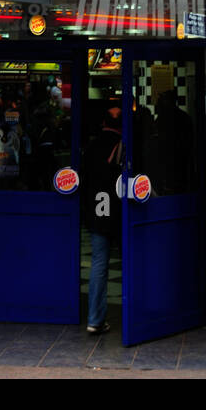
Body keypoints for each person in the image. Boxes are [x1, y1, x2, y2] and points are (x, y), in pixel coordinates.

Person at [82, 101, 122, 335]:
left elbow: (83, 181)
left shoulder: (91, 147)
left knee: (99, 265)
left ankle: (94, 320)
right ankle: (139, 319)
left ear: (103, 123)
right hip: (123, 215)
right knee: (132, 264)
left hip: (97, 215)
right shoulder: (124, 145)